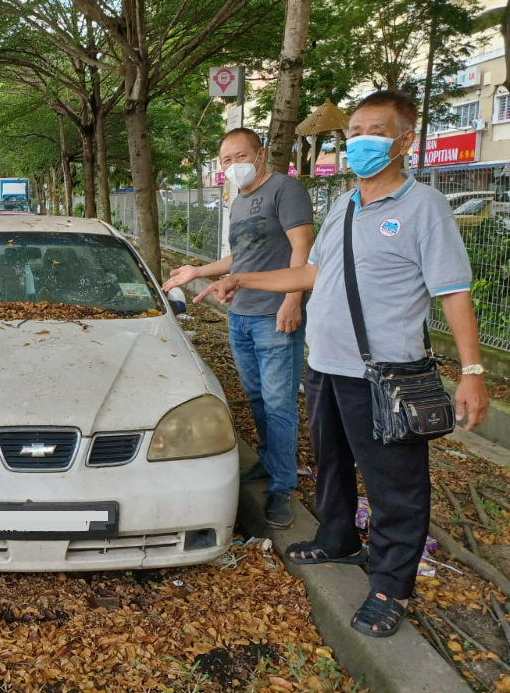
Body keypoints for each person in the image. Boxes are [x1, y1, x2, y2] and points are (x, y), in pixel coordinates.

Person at [197, 90, 489, 638]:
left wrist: (471, 373)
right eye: (352, 133)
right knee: (331, 462)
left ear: (404, 140)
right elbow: (312, 274)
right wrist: (242, 279)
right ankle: (337, 537)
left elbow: (454, 293)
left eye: (372, 132)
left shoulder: (423, 207)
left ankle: (390, 586)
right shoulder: (345, 205)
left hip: (383, 374)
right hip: (326, 365)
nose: (358, 142)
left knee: (395, 484)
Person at [163, 128, 313, 529]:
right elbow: (241, 258)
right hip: (241, 315)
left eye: (239, 156)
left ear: (260, 155)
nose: (232, 166)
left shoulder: (285, 189)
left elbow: (303, 248)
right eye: (225, 160)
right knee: (258, 398)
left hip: (274, 315)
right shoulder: (241, 200)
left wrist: (292, 299)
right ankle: (268, 463)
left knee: (280, 403)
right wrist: (198, 270)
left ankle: (283, 486)